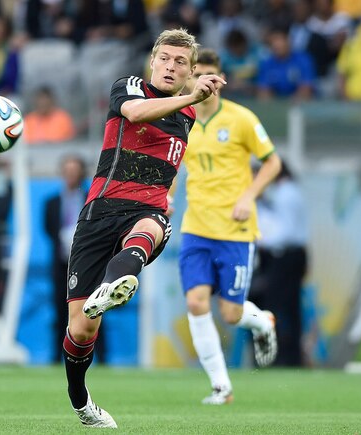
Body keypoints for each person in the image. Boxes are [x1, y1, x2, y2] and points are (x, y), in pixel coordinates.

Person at [62, 28, 225, 428]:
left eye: (180, 62)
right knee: (81, 330)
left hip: (147, 209)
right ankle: (81, 400)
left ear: (189, 71)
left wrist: (168, 193)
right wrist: (193, 96)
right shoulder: (129, 86)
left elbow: (171, 161)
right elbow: (135, 114)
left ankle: (112, 285)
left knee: (152, 228)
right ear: (152, 62)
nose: (170, 66)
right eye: (164, 58)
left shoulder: (187, 116)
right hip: (100, 211)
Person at [177, 48, 281, 405]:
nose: (204, 82)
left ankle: (262, 321)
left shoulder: (241, 119)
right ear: (189, 79)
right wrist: (166, 197)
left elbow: (272, 162)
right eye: (197, 75)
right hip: (196, 227)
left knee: (231, 314)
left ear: (220, 80)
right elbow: (173, 163)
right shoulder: (181, 118)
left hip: (235, 230)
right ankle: (221, 387)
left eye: (210, 76)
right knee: (195, 303)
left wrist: (248, 196)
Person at [44, 156, 106, 364]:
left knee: (94, 308)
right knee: (60, 310)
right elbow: (49, 229)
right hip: (61, 263)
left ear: (81, 173)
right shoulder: (52, 203)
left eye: (74, 170)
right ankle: (56, 357)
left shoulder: (92, 199)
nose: (70, 175)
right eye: (67, 170)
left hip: (87, 264)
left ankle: (101, 357)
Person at [252, 161, 308, 367]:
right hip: (292, 255)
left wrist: (262, 241)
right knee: (290, 307)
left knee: (279, 307)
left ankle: (282, 357)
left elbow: (285, 232)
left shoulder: (285, 195)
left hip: (284, 255)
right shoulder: (289, 192)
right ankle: (290, 357)